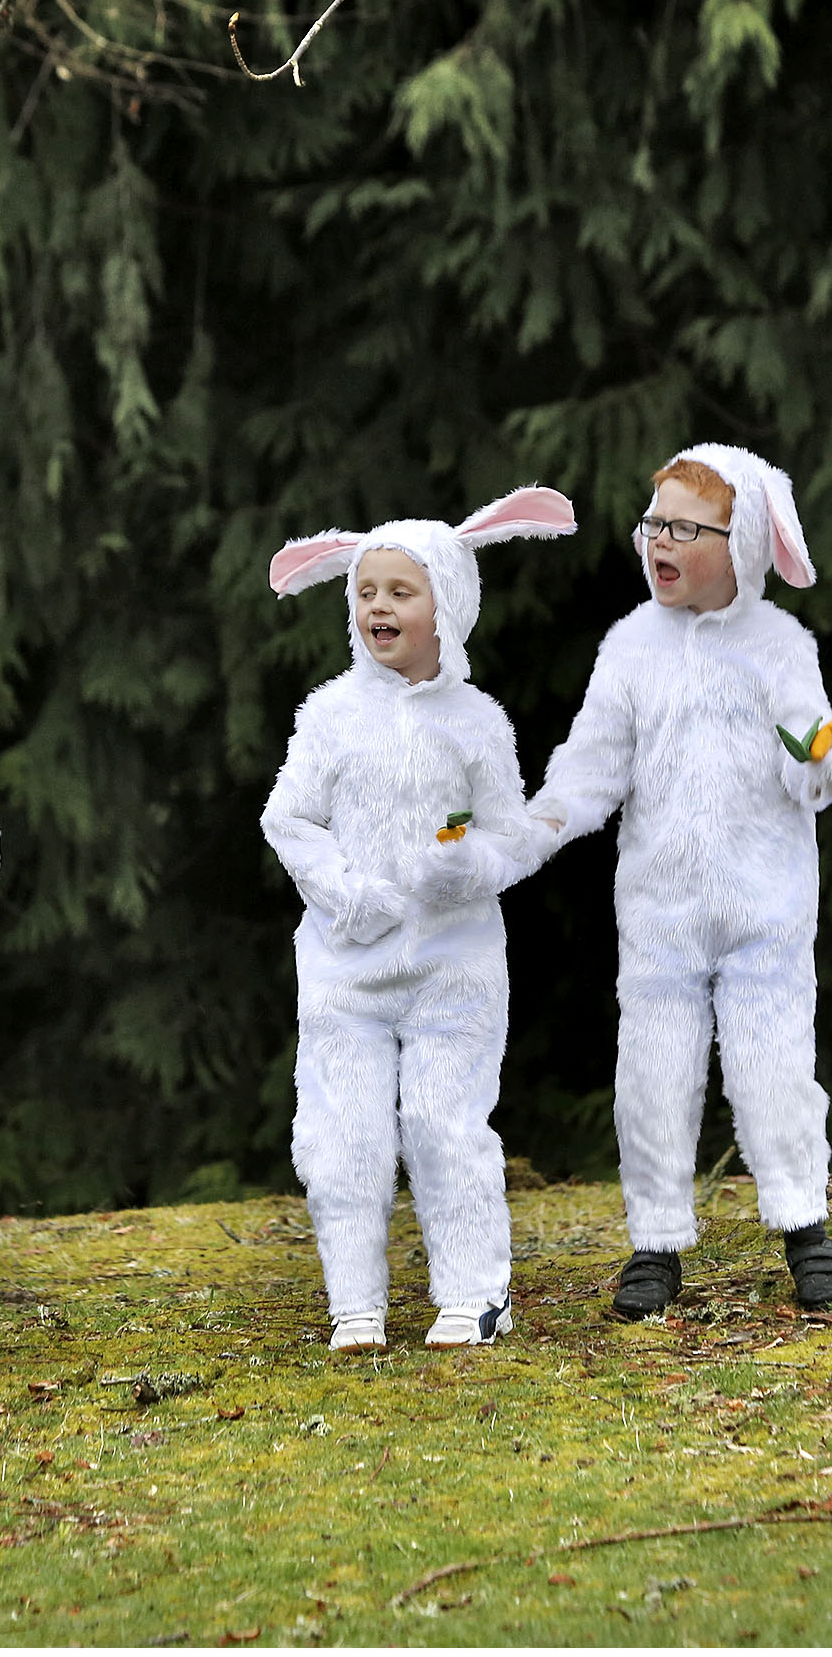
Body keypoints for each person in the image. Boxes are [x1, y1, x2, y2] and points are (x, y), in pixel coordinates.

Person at [524, 446, 832, 1317]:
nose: (661, 541)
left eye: (686, 527)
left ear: (744, 543)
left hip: (766, 907)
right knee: (651, 1073)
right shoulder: (629, 648)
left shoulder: (777, 644)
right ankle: (654, 1244)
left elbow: (807, 744)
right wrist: (537, 822)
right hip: (659, 912)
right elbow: (591, 764)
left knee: (775, 1068)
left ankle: (805, 1228)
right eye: (653, 523)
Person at [262, 488, 577, 1350]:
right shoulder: (328, 716)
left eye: (400, 592)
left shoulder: (478, 723)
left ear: (449, 604)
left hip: (454, 963)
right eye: (365, 593)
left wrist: (464, 865)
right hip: (343, 966)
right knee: (343, 1133)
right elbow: (286, 820)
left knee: (444, 1122)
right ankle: (354, 1300)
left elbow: (512, 835)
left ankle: (476, 1293)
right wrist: (348, 896)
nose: (377, 609)